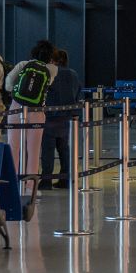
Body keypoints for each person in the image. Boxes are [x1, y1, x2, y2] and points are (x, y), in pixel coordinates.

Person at [1, 40, 57, 195]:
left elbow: (7, 84)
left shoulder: (23, 65)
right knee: (33, 150)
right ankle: (30, 189)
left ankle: (12, 185)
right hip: (37, 111)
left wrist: (17, 92)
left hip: (16, 108)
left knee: (13, 147)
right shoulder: (52, 69)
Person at [41, 48, 83, 189]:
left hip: (50, 117)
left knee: (48, 150)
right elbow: (78, 94)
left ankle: (46, 180)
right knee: (64, 150)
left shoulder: (50, 73)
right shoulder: (73, 74)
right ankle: (66, 178)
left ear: (52, 60)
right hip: (68, 118)